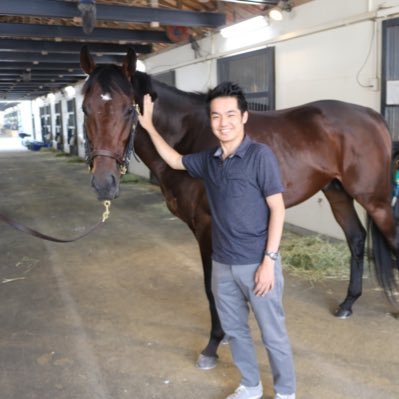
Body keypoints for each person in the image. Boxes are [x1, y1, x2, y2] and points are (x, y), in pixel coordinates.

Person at [138, 82, 296, 399]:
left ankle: (285, 393)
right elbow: (174, 161)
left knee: (273, 334)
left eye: (230, 114)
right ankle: (250, 387)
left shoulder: (259, 156)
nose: (223, 122)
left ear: (244, 117)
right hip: (222, 264)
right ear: (210, 120)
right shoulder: (209, 159)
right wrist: (148, 125)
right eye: (216, 116)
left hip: (256, 264)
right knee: (236, 332)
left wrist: (270, 261)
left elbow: (277, 209)